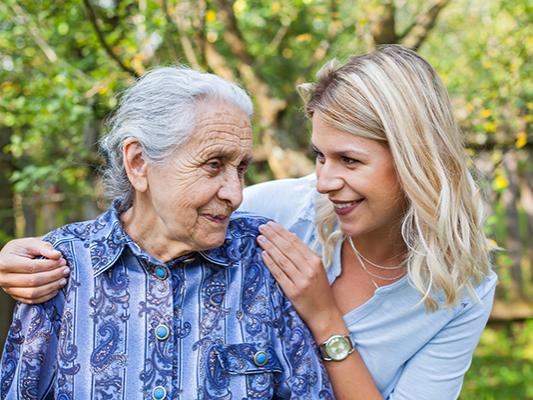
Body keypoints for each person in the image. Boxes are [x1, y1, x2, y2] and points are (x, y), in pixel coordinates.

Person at [0, 45, 496, 399]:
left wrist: (324, 319)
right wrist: (21, 256)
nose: (234, 195)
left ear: (414, 161)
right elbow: (159, 216)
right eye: (319, 156)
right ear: (137, 162)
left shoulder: (465, 289)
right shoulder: (278, 211)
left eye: (349, 160)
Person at [0, 67, 333, 399]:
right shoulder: (62, 266)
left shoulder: (264, 258)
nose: (235, 193)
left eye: (242, 169)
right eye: (214, 164)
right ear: (138, 163)